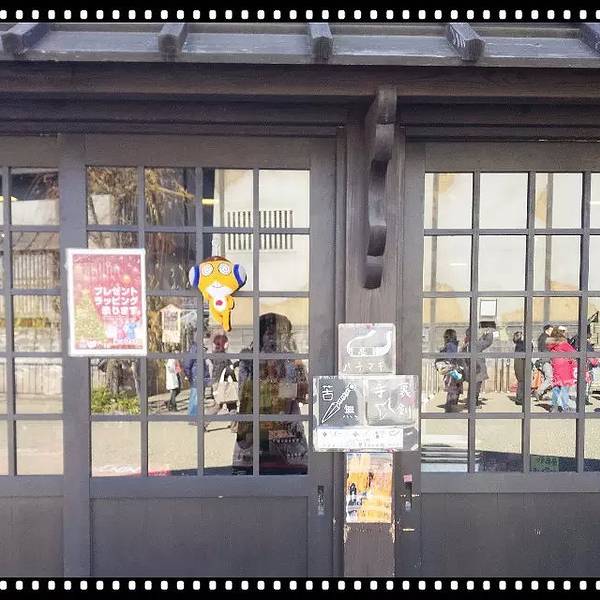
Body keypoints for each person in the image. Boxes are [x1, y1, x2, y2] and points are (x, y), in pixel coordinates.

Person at [234, 313, 308, 474]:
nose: (275, 339)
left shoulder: (291, 359)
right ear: (260, 335)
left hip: (287, 424)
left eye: (281, 334)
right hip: (256, 425)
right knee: (254, 474)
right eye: (270, 333)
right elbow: (243, 391)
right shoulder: (248, 358)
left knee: (292, 473)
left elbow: (303, 392)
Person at [547, 327, 577, 413]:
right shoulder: (563, 343)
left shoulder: (551, 343)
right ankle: (565, 407)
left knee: (556, 387)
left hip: (556, 366)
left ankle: (554, 407)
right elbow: (574, 352)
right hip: (565, 367)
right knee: (565, 387)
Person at [462, 328, 494, 407]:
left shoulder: (466, 344)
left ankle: (470, 403)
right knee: (476, 388)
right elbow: (487, 342)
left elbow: (480, 341)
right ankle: (473, 405)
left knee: (472, 387)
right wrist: (490, 333)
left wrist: (483, 336)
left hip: (470, 369)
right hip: (477, 370)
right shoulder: (475, 344)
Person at [436, 328, 464, 413]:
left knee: (452, 390)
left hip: (451, 371)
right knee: (455, 390)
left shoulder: (448, 346)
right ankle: (451, 408)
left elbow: (448, 357)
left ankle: (450, 408)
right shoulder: (454, 345)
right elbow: (453, 357)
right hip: (455, 370)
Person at [535, 324, 554, 401]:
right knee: (549, 378)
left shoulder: (541, 337)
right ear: (547, 330)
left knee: (545, 378)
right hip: (546, 360)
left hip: (542, 359)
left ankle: (542, 395)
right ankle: (539, 391)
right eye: (551, 330)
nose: (552, 332)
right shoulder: (546, 338)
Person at [513, 331, 526, 406]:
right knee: (521, 381)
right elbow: (529, 348)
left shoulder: (520, 343)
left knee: (522, 381)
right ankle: (519, 398)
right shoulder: (520, 343)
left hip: (521, 362)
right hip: (520, 363)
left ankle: (520, 398)